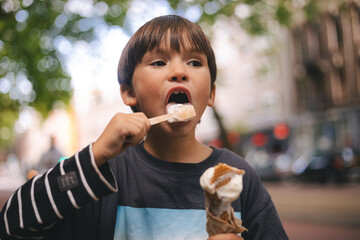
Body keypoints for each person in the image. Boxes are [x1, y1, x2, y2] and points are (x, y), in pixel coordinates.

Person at [0, 15, 288, 240]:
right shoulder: (104, 175)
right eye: (159, 62)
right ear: (128, 92)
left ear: (211, 93)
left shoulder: (235, 176)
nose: (179, 71)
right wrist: (95, 154)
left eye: (194, 62)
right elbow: (11, 225)